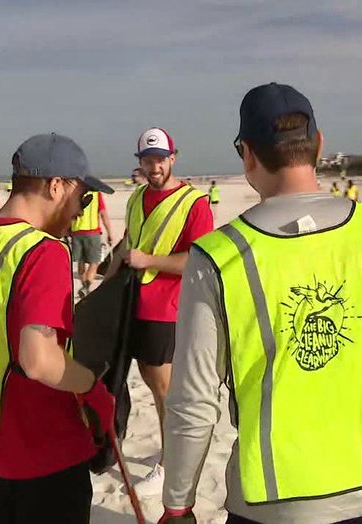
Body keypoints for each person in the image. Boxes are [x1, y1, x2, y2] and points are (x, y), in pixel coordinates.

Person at [159, 83, 362, 524]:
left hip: (272, 498)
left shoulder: (218, 258)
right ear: (320, 145)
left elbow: (194, 401)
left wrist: (178, 503)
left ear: (247, 154)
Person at [0, 133, 116, 524]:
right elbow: (38, 359)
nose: (81, 212)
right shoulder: (41, 251)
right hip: (41, 448)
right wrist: (94, 390)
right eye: (81, 199)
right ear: (56, 186)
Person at [107, 127, 213, 496]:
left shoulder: (194, 203)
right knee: (152, 384)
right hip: (135, 303)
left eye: (160, 159)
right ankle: (171, 447)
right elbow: (129, 243)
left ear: (173, 157)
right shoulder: (136, 199)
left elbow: (199, 261)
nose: (154, 166)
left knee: (165, 388)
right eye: (147, 160)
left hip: (167, 308)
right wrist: (105, 271)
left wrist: (147, 260)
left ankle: (171, 463)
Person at [71, 189, 114, 298]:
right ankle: (86, 286)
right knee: (94, 263)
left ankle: (84, 287)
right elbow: (103, 214)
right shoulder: (96, 194)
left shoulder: (75, 193)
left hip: (76, 232)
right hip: (92, 232)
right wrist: (109, 233)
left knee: (80, 262)